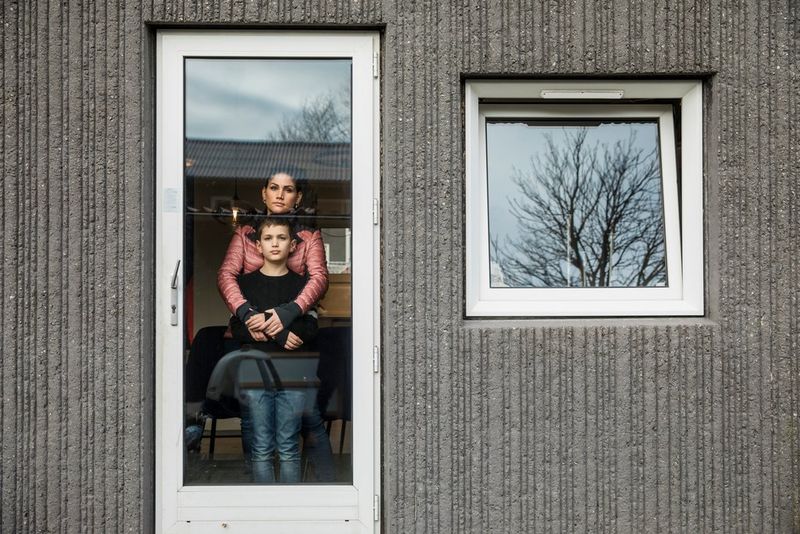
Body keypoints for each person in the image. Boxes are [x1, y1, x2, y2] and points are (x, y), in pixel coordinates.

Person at [184, 171, 335, 481]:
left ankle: (330, 488)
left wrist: (288, 313)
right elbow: (226, 275)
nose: (280, 195)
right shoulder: (246, 233)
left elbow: (319, 277)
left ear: (298, 197)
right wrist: (246, 313)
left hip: (295, 332)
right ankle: (253, 483)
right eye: (274, 188)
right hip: (249, 329)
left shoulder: (308, 236)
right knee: (252, 417)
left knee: (307, 417)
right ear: (264, 194)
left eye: (288, 189)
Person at [230, 217, 316, 483]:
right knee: (262, 448)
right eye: (268, 238)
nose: (275, 243)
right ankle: (265, 513)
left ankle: (290, 514)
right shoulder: (244, 285)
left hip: (293, 375)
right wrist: (280, 333)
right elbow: (237, 327)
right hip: (255, 375)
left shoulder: (302, 285)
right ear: (257, 246)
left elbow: (310, 326)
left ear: (292, 246)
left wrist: (273, 329)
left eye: (281, 238)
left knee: (289, 447)